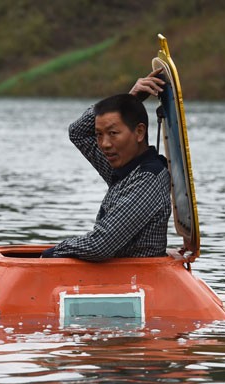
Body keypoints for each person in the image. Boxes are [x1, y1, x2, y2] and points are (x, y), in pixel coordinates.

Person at [41, 70, 171, 261]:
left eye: (113, 133)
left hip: (136, 280)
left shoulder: (147, 179)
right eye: (99, 134)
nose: (104, 144)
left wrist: (52, 253)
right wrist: (129, 98)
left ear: (139, 132)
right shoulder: (122, 168)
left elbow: (100, 244)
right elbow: (78, 132)